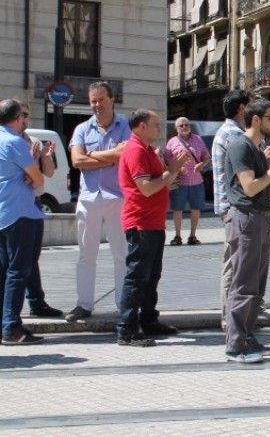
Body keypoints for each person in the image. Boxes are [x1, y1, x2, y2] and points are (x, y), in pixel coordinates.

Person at [224, 99, 270, 363]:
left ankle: (248, 337)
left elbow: (268, 193)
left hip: (261, 217)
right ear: (256, 119)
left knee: (256, 285)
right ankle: (235, 345)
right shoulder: (240, 146)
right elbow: (250, 188)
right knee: (243, 284)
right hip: (245, 219)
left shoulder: (259, 147)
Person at [116, 109, 188, 347]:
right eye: (156, 125)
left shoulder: (146, 150)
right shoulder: (136, 150)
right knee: (137, 278)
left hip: (153, 223)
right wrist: (173, 170)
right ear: (142, 126)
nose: (160, 129)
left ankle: (148, 320)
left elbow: (160, 184)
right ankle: (127, 329)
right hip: (141, 222)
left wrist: (170, 170)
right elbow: (146, 188)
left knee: (151, 277)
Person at [66, 82, 131, 323]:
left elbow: (125, 154)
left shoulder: (125, 126)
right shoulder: (82, 128)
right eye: (93, 100)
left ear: (112, 100)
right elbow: (76, 161)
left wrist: (89, 157)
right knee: (86, 254)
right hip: (89, 198)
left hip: (117, 197)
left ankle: (123, 304)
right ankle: (83, 304)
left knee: (122, 253)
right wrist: (109, 157)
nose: (96, 105)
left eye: (101, 99)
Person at [0, 99, 46, 344]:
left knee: (4, 271)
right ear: (17, 118)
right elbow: (38, 179)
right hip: (19, 212)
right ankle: (11, 328)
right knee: (18, 272)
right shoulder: (14, 141)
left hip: (2, 214)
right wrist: (29, 178)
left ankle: (3, 324)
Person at [18, 101, 62, 317]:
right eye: (21, 114)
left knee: (32, 256)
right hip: (13, 206)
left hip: (33, 203)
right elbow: (22, 177)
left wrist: (44, 157)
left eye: (27, 114)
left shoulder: (33, 141)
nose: (25, 118)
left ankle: (37, 302)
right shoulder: (8, 142)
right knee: (14, 260)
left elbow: (49, 173)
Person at [212, 90, 250, 329]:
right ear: (243, 109)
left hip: (226, 204)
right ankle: (229, 317)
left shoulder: (224, 131)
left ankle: (232, 313)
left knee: (234, 260)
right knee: (234, 262)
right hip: (234, 206)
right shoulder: (235, 135)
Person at [165, 117, 211, 246]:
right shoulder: (172, 142)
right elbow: (167, 160)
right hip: (180, 182)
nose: (184, 127)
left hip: (196, 181)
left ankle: (192, 235)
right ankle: (177, 236)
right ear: (176, 129)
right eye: (181, 125)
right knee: (177, 209)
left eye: (186, 124)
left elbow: (207, 157)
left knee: (195, 209)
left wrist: (200, 165)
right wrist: (177, 168)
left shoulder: (198, 139)